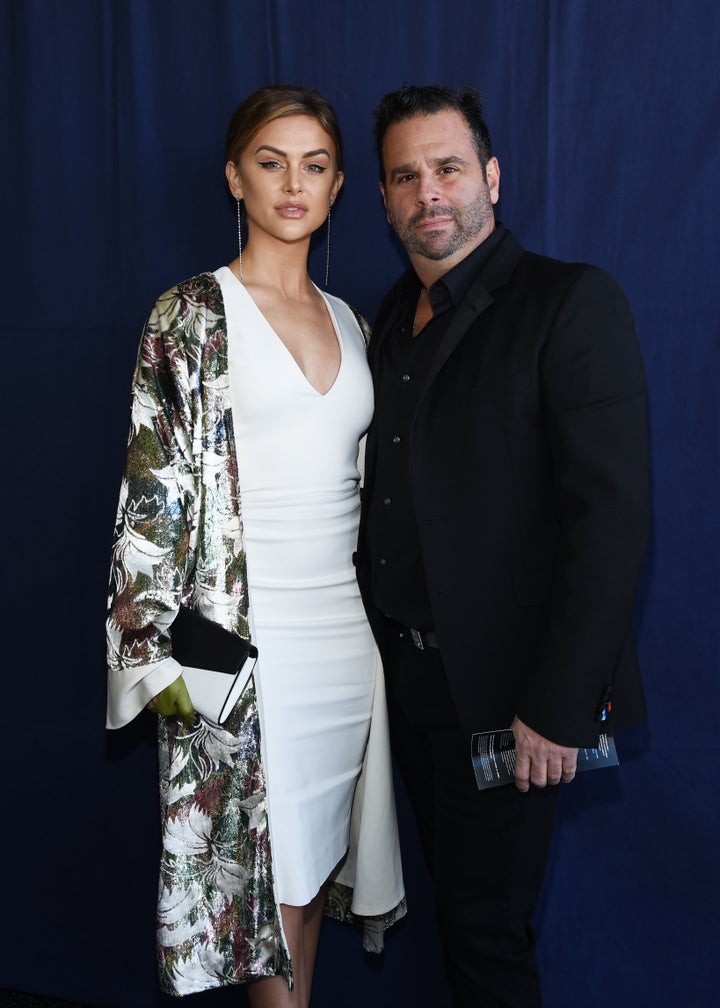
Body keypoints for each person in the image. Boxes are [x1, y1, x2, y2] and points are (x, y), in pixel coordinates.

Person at [106, 85, 404, 1008]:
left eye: (314, 165)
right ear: (237, 176)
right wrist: (154, 657)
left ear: (339, 185)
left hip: (345, 647)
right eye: (272, 161)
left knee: (306, 886)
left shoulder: (354, 320)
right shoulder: (188, 313)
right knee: (260, 898)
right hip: (240, 644)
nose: (293, 183)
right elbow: (151, 489)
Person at [356, 84, 650, 1007]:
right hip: (404, 689)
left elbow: (610, 521)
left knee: (486, 937)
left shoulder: (569, 301)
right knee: (461, 918)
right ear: (383, 198)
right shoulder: (383, 324)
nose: (427, 192)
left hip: (514, 700)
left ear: (490, 176)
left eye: (447, 168)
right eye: (406, 176)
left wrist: (561, 708)